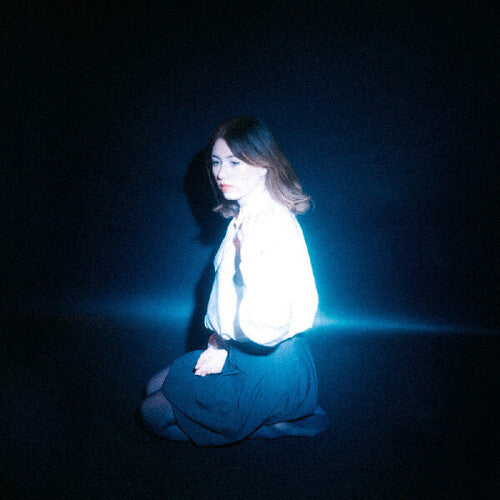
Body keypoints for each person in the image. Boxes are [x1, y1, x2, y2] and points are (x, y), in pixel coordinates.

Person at [140, 116, 329, 446]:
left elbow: (269, 328)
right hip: (239, 353)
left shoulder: (271, 226)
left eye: (234, 162)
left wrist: (250, 261)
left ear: (263, 165)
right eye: (216, 161)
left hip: (270, 367)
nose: (220, 173)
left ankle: (272, 423)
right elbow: (229, 299)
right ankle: (261, 418)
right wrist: (219, 345)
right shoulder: (244, 216)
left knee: (151, 414)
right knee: (154, 386)